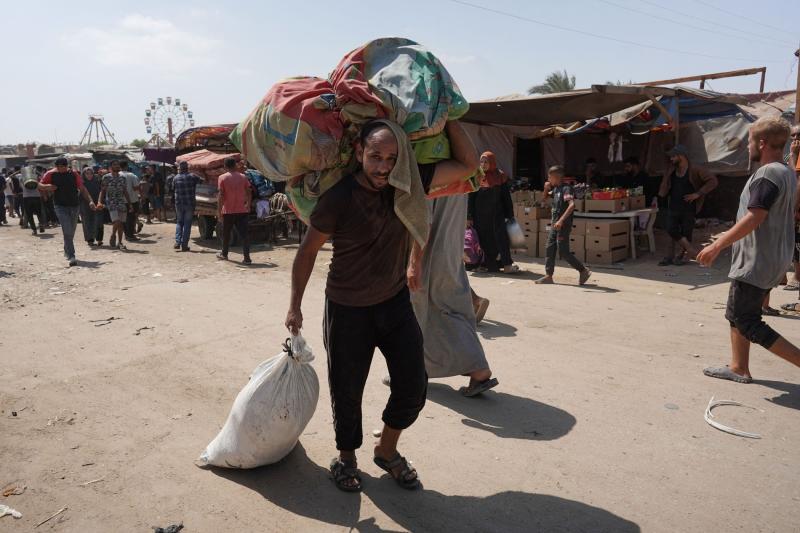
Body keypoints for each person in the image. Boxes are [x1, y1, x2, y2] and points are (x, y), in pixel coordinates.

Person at [285, 119, 473, 493]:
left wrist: (448, 117)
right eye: (374, 156)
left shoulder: (408, 180)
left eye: (391, 157)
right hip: (347, 306)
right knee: (347, 388)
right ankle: (346, 457)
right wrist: (295, 306)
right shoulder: (339, 197)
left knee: (413, 384)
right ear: (358, 153)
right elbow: (307, 252)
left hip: (393, 303)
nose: (383, 166)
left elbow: (467, 165)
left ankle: (386, 451)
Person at [697, 117, 800, 383]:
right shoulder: (787, 171)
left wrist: (718, 245)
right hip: (773, 257)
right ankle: (739, 367)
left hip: (758, 261)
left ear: (762, 143)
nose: (748, 147)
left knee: (747, 321)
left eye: (751, 141)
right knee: (738, 313)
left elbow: (756, 216)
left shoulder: (768, 174)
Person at [657, 145, 718, 266]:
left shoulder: (695, 169)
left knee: (686, 231)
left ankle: (681, 256)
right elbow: (665, 186)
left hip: (688, 207)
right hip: (673, 204)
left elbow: (713, 180)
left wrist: (698, 194)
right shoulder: (671, 169)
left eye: (674, 156)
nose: (671, 159)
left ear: (681, 156)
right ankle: (686, 251)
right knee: (671, 230)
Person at [536, 165, 592, 285]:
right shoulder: (556, 189)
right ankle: (548, 275)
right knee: (549, 247)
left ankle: (583, 270)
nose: (548, 179)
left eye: (549, 177)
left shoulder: (566, 189)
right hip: (554, 224)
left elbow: (572, 206)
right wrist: (546, 189)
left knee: (563, 252)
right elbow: (544, 200)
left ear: (556, 177)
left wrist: (561, 220)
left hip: (563, 225)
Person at [37, 157, 97, 266]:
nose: (60, 169)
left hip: (74, 205)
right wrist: (47, 186)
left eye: (62, 167)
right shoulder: (50, 174)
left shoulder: (74, 174)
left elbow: (82, 188)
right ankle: (71, 256)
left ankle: (67, 248)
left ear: (67, 166)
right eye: (58, 167)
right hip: (60, 206)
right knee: (67, 230)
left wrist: (91, 201)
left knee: (71, 231)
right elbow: (39, 185)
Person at [468, 152, 519, 274]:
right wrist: (468, 216)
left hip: (497, 216)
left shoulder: (500, 176)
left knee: (502, 239)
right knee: (483, 241)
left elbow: (506, 198)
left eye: (486, 162)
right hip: (480, 217)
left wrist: (509, 216)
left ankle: (506, 264)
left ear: (492, 163)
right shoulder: (477, 176)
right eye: (482, 162)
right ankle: (487, 265)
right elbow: (471, 198)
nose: (483, 164)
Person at [216, 157, 253, 264]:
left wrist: (219, 211)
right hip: (242, 210)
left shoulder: (222, 178)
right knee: (244, 235)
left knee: (226, 234)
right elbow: (249, 192)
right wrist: (248, 205)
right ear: (235, 165)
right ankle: (247, 258)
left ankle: (224, 254)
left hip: (228, 211)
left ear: (225, 166)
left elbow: (221, 196)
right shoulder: (243, 177)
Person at [98, 160, 132, 250]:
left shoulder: (123, 178)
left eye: (117, 165)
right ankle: (113, 235)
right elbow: (102, 191)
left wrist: (130, 204)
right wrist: (99, 202)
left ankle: (120, 242)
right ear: (110, 167)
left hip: (121, 202)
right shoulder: (106, 177)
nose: (116, 166)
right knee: (116, 221)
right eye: (114, 165)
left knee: (121, 223)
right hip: (111, 202)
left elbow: (125, 191)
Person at [172, 161, 202, 252]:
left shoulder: (175, 178)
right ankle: (184, 245)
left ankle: (177, 242)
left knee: (179, 222)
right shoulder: (192, 176)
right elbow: (202, 180)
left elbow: (172, 188)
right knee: (187, 224)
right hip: (189, 203)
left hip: (179, 203)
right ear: (187, 168)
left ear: (180, 169)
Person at [80, 167, 104, 246]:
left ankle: (99, 239)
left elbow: (102, 190)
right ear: (84, 174)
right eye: (87, 173)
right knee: (87, 222)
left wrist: (100, 202)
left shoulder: (97, 181)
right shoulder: (81, 182)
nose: (89, 175)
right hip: (85, 204)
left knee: (99, 221)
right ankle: (90, 239)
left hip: (98, 203)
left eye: (91, 173)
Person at [121, 161, 142, 241]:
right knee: (131, 218)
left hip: (121, 200)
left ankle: (126, 235)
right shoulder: (131, 175)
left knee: (123, 219)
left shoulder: (117, 175)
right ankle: (130, 235)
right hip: (132, 200)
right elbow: (136, 187)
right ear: (126, 166)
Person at [21, 167, 45, 235]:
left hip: (27, 198)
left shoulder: (22, 178)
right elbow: (42, 177)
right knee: (39, 212)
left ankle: (34, 229)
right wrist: (37, 172)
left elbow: (22, 187)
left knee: (29, 214)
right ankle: (41, 224)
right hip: (36, 197)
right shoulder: (35, 177)